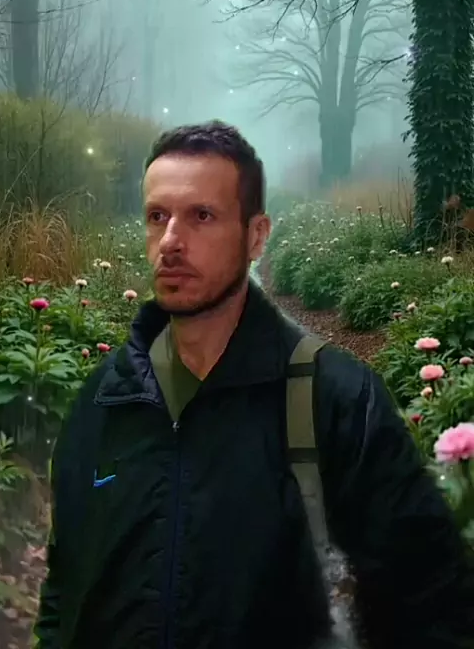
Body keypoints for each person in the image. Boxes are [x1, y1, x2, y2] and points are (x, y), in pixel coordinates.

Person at [34, 120, 474, 649]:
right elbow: (64, 594)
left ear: (257, 236)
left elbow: (433, 606)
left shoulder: (335, 401)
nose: (170, 241)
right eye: (157, 216)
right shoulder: (103, 400)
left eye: (201, 216)